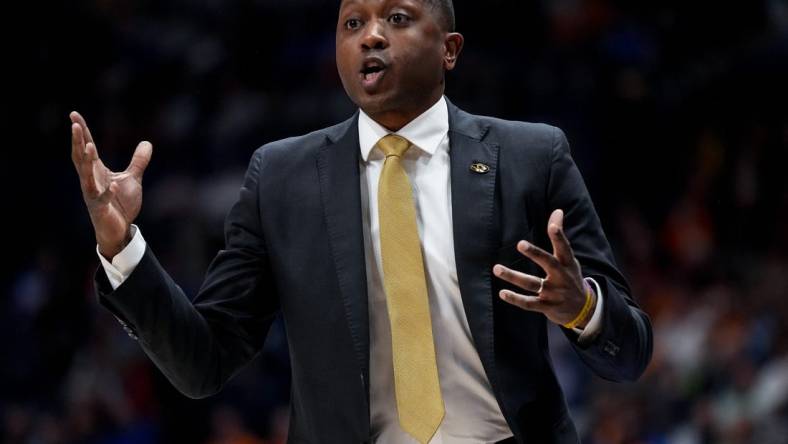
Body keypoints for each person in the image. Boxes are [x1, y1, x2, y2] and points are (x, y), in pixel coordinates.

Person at [69, 0, 652, 442]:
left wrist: (584, 308)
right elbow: (204, 362)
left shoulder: (532, 156)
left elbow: (628, 355)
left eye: (397, 18)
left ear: (450, 49)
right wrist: (121, 244)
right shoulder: (280, 177)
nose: (371, 35)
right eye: (352, 24)